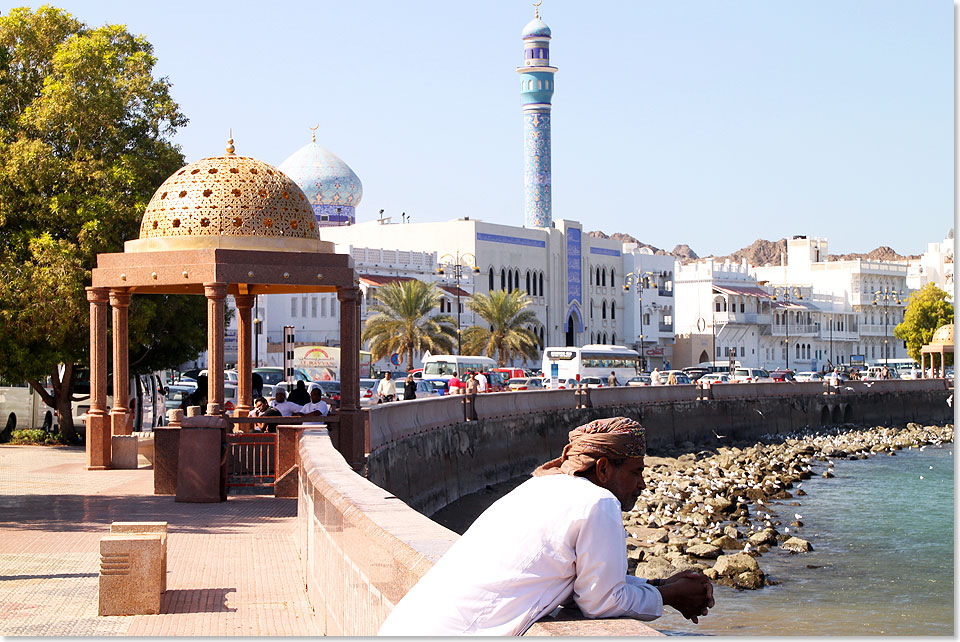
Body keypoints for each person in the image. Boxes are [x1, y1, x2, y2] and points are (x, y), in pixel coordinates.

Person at [378, 417, 714, 636]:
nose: (642, 485)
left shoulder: (538, 487)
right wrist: (669, 595)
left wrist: (653, 584)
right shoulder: (598, 503)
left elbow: (577, 578)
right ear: (602, 470)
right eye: (635, 472)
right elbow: (601, 602)